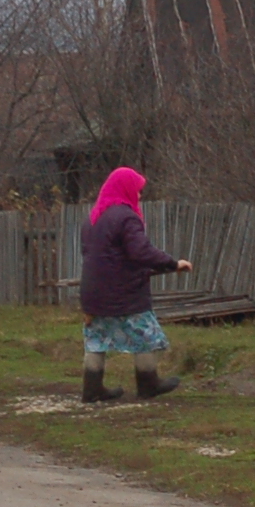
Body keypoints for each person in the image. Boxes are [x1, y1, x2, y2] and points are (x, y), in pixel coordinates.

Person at [76, 167, 190, 403]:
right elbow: (140, 252)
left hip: (92, 292)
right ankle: (148, 384)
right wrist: (172, 263)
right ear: (125, 189)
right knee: (143, 334)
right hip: (124, 291)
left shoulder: (92, 218)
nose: (139, 196)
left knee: (96, 339)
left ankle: (92, 388)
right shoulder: (126, 217)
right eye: (137, 191)